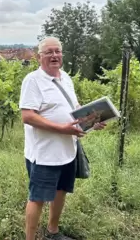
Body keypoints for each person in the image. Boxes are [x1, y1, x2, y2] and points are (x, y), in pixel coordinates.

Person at [19, 36, 106, 240]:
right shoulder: (33, 81)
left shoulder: (65, 77)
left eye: (57, 51)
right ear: (40, 56)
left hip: (67, 150)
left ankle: (53, 231)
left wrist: (92, 121)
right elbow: (27, 116)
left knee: (61, 191)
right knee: (38, 198)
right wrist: (62, 128)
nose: (54, 55)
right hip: (44, 154)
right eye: (48, 52)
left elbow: (74, 109)